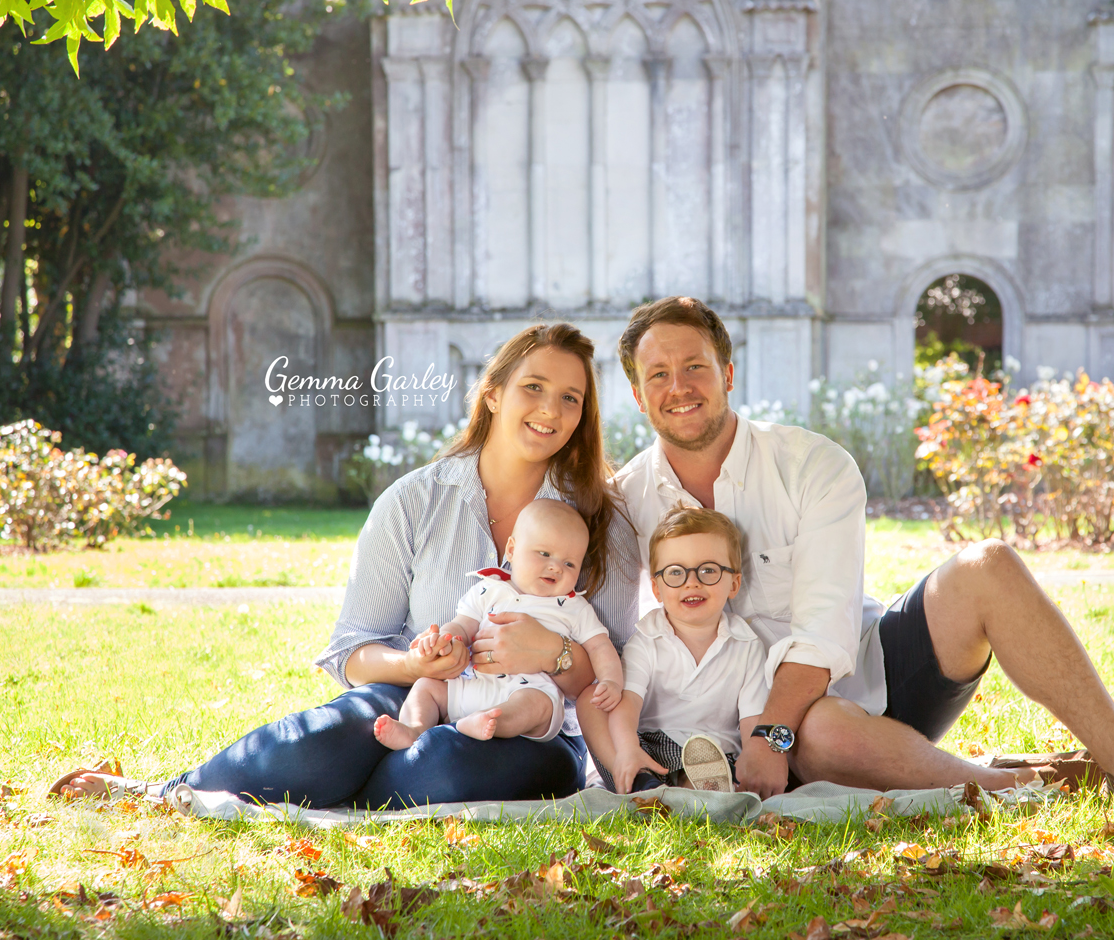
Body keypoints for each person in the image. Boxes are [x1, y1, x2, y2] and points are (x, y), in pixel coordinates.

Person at [49, 323, 639, 809]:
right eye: (533, 387)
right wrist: (414, 661)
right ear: (493, 393)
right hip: (415, 697)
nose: (550, 410)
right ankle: (167, 792)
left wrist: (554, 655)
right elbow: (353, 651)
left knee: (444, 767)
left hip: (529, 725)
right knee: (320, 743)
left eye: (570, 397)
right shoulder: (415, 500)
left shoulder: (595, 517)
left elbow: (610, 674)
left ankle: (351, 792)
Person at [612, 296, 1114, 800]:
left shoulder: (812, 464)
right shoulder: (625, 501)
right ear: (638, 395)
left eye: (694, 366)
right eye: (658, 374)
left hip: (865, 678)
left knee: (988, 565)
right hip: (752, 731)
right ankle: (1019, 785)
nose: (678, 387)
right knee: (824, 730)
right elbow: (608, 638)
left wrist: (770, 734)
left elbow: (821, 634)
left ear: (728, 373)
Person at [372, 498, 624, 748]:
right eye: (544, 553)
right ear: (512, 551)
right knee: (426, 687)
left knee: (537, 705)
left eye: (569, 563)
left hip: (528, 690)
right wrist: (444, 641)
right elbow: (461, 626)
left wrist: (611, 681)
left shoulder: (573, 607)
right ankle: (414, 728)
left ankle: (486, 723)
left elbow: (600, 646)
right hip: (471, 684)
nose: (556, 567)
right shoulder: (489, 589)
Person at [578, 505, 769, 794]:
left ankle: (694, 789)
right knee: (590, 701)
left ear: (734, 583)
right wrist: (629, 749)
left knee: (711, 773)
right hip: (648, 748)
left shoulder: (747, 645)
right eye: (676, 573)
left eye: (708, 570)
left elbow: (751, 720)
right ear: (656, 589)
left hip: (717, 754)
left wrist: (753, 763)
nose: (691, 582)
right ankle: (639, 780)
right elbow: (626, 704)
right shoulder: (647, 638)